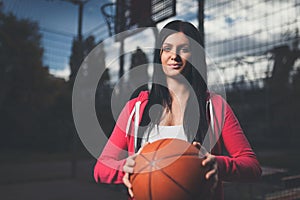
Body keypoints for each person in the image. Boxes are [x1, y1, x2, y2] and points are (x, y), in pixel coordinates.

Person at [94, 20, 262, 200]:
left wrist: (217, 165)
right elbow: (101, 169)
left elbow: (252, 166)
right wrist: (126, 167)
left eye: (183, 49)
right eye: (167, 48)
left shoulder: (214, 106)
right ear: (159, 55)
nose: (174, 56)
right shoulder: (135, 109)